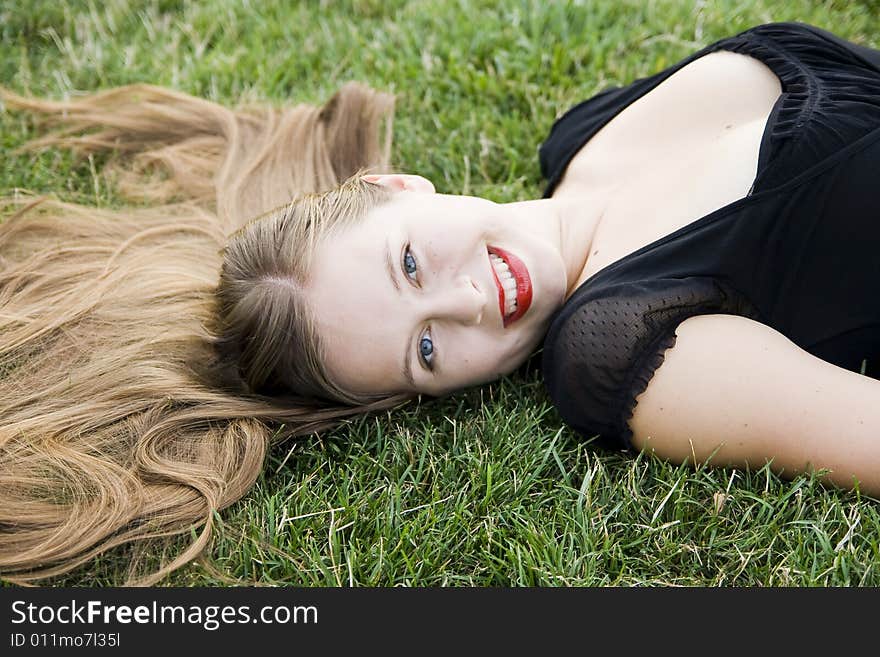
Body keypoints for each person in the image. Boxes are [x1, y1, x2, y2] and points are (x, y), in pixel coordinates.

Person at [1, 20, 879, 585]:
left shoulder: (581, 133)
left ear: (394, 184)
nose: (466, 305)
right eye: (425, 352)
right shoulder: (620, 349)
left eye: (412, 262)